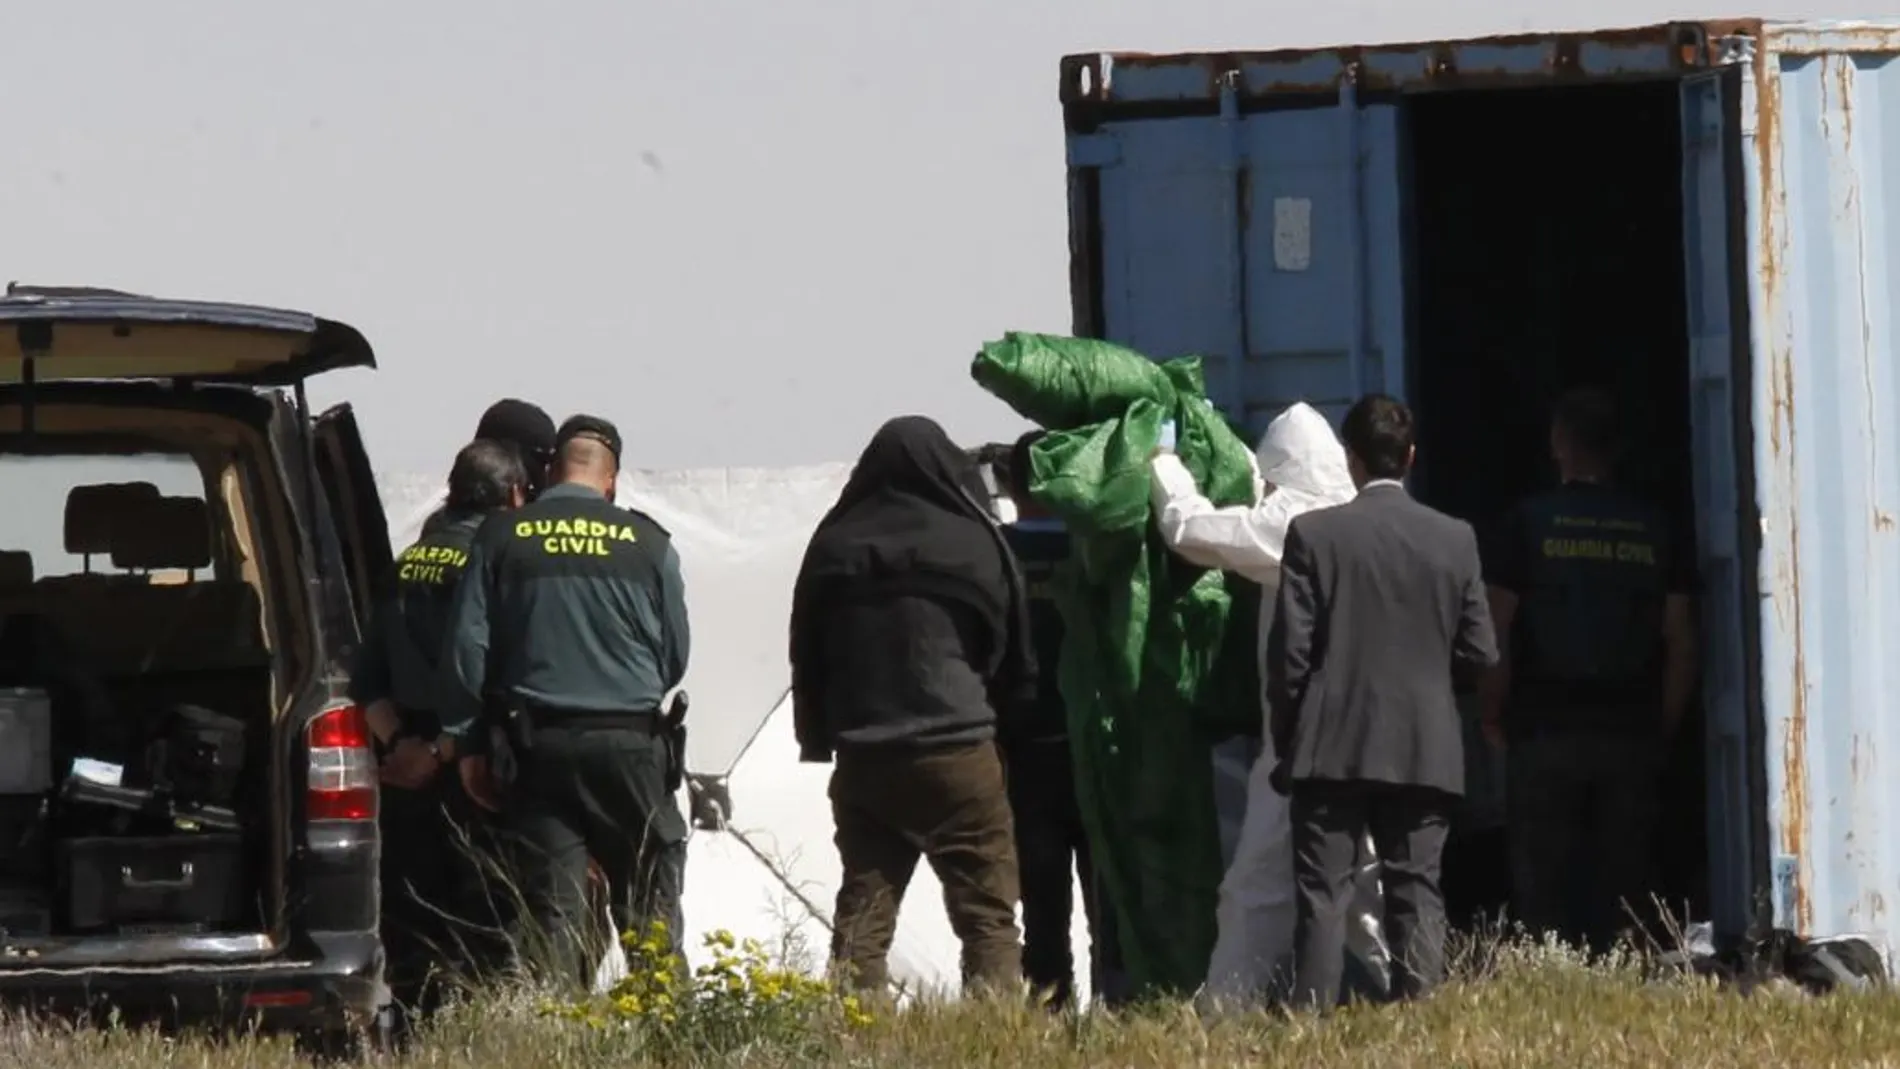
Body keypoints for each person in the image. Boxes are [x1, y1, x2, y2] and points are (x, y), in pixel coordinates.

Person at [440, 415, 691, 984]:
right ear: (612, 481)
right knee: (648, 906)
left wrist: (467, 741)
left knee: (554, 916)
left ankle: (555, 1038)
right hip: (631, 748)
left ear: (551, 472)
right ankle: (674, 1040)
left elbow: (467, 648)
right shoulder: (651, 544)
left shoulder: (502, 535)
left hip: (538, 750)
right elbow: (675, 657)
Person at [1267, 394, 1497, 1009]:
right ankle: (1418, 1018)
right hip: (1424, 741)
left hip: (1331, 740)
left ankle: (1308, 1026)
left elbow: (1290, 658)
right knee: (1416, 887)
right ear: (1412, 457)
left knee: (1322, 895)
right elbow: (1481, 652)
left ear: (1351, 459)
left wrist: (1289, 740)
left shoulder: (1314, 535)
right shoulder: (1455, 539)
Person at [790, 415, 1033, 997]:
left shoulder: (833, 546)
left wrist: (821, 736)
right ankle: (997, 1042)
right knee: (988, 918)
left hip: (868, 754)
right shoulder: (973, 543)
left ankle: (857, 1040)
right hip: (960, 753)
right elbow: (1006, 649)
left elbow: (808, 652)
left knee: (863, 914)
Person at [1147, 401, 1368, 1004]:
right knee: (1368, 894)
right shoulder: (1357, 516)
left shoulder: (1291, 525)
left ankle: (1227, 1011)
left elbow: (1190, 529)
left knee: (1256, 890)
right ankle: (1420, 1003)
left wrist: (1164, 462)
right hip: (1375, 745)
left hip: (1300, 749)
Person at [1479, 388, 1699, 955]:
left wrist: (1491, 712)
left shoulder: (1527, 523)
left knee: (1542, 879)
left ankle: (1552, 970)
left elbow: (1495, 630)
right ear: (1619, 449)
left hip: (1544, 727)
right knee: (1624, 875)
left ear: (1558, 445)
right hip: (1629, 727)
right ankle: (1622, 970)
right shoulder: (1654, 528)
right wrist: (1663, 725)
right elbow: (1681, 640)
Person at [352, 439, 529, 1024]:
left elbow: (366, 677)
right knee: (484, 917)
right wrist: (443, 749)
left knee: (410, 920)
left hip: (404, 766)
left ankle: (406, 1039)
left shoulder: (404, 563)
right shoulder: (499, 562)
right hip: (474, 764)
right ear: (511, 496)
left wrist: (404, 746)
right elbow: (498, 670)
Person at [998, 430, 1097, 1009]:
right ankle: (1124, 1007)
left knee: (1041, 903)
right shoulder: (1095, 550)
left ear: (1011, 484)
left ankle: (1051, 1017)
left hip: (1025, 750)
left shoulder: (995, 554)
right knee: (1109, 900)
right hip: (1096, 748)